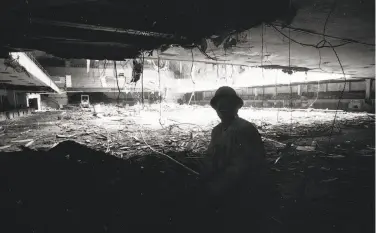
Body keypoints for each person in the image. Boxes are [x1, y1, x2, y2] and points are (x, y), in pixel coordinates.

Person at [196, 86, 277, 227]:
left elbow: (241, 167)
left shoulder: (245, 129)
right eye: (220, 107)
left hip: (245, 189)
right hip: (224, 183)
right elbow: (210, 158)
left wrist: (215, 186)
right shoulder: (217, 131)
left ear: (236, 107)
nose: (223, 110)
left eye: (227, 106)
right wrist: (204, 174)